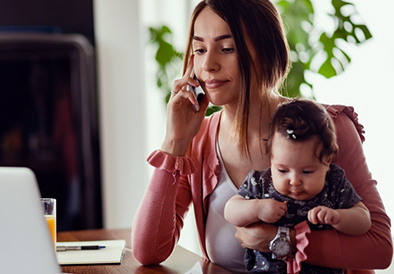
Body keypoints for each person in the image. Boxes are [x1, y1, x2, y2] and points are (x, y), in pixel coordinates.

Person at [131, 0, 392, 273]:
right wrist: (175, 142)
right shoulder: (198, 140)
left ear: (266, 52)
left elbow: (379, 248)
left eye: (227, 48)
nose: (208, 65)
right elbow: (148, 252)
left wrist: (284, 240)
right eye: (199, 49)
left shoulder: (328, 127)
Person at [224, 99, 371, 273]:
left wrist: (338, 217)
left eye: (307, 171)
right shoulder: (261, 183)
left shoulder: (334, 182)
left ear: (327, 162)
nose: (294, 181)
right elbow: (230, 210)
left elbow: (363, 220)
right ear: (271, 159)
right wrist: (257, 208)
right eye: (283, 170)